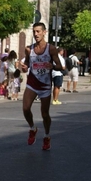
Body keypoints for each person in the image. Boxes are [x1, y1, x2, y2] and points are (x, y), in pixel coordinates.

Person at [20, 22, 62, 151]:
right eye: (34, 31)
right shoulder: (29, 49)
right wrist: (24, 67)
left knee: (44, 114)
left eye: (38, 31)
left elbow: (61, 67)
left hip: (45, 86)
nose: (36, 34)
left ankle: (47, 136)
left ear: (44, 32)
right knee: (26, 108)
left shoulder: (51, 49)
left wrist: (53, 66)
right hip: (32, 83)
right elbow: (26, 65)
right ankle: (33, 128)